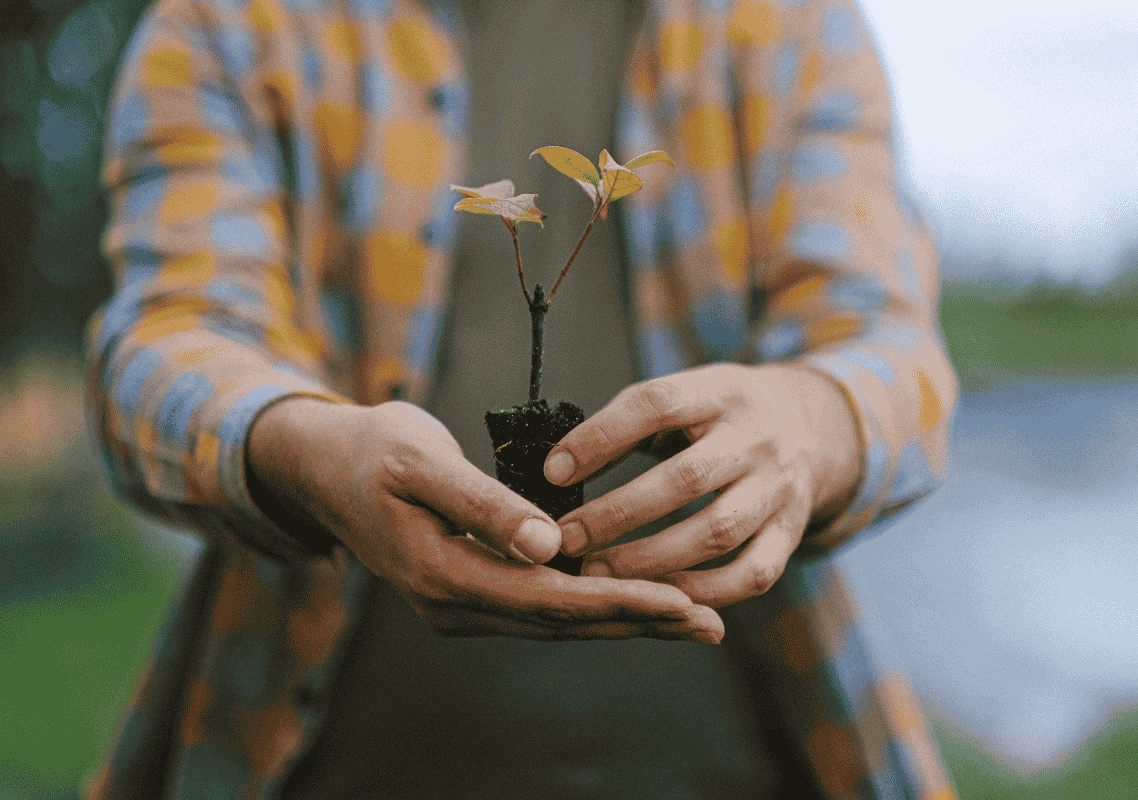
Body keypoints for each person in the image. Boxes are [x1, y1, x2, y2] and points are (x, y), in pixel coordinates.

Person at [85, 0, 959, 797]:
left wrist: (810, 421)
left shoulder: (781, 21)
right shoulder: (239, 20)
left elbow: (894, 352)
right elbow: (165, 343)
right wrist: (297, 447)